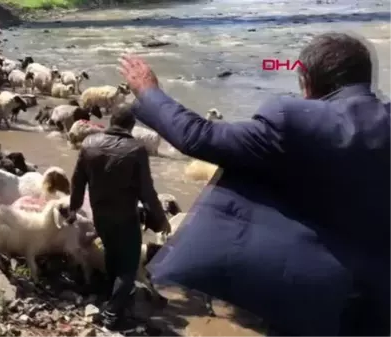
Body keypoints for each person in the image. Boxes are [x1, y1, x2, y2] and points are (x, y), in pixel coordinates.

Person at [118, 32, 391, 337]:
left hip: (307, 299)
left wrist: (149, 91)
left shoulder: (292, 122)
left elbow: (199, 137)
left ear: (306, 83)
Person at [67, 106, 170, 330]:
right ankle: (113, 315)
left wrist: (73, 208)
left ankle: (111, 300)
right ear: (131, 127)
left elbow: (77, 181)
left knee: (113, 258)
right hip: (125, 218)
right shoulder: (136, 150)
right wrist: (161, 219)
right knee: (129, 267)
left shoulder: (89, 144)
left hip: (100, 215)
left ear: (111, 121)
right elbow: (147, 192)